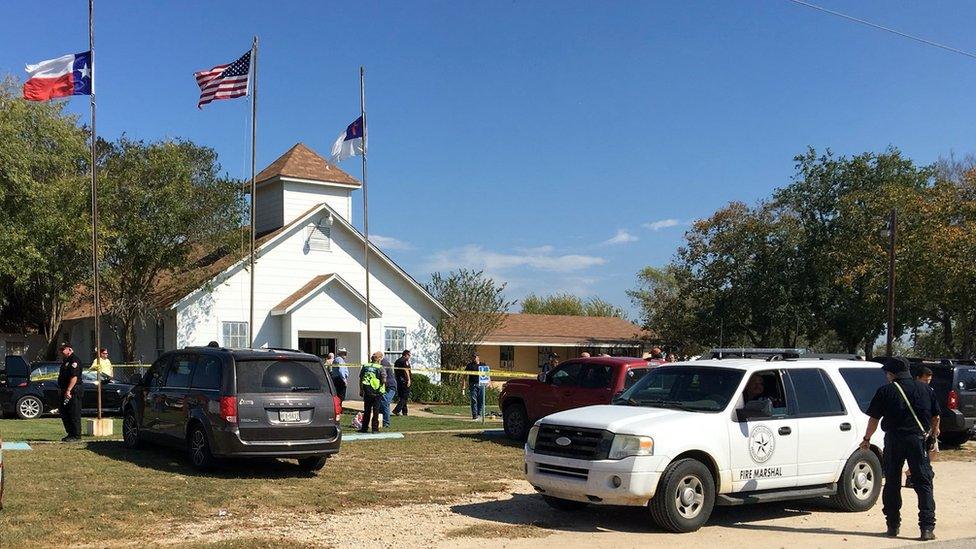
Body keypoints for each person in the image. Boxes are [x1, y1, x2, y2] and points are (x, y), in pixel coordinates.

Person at [861, 357, 940, 541]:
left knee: (892, 483)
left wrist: (867, 439)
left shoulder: (885, 391)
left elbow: (874, 419)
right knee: (924, 483)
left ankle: (893, 525)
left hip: (894, 440)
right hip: (917, 440)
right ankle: (927, 528)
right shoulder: (925, 389)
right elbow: (936, 416)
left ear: (891, 374)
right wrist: (933, 435)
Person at [905, 365, 937, 488]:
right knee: (919, 456)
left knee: (933, 451)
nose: (927, 383)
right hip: (916, 429)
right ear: (917, 378)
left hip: (928, 427)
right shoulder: (911, 391)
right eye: (925, 380)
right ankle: (912, 476)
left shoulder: (929, 391)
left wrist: (936, 428)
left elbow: (935, 414)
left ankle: (915, 473)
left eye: (929, 381)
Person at [58, 343, 84, 442]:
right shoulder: (66, 361)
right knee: (65, 412)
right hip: (65, 390)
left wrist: (68, 390)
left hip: (74, 390)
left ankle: (76, 435)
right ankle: (70, 433)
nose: (61, 351)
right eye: (61, 349)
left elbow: (74, 377)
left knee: (74, 413)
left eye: (63, 349)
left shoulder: (74, 360)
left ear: (70, 349)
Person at [358, 352, 387, 433]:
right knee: (376, 411)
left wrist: (361, 389)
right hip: (377, 392)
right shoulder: (380, 367)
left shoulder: (365, 366)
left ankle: (364, 428)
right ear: (379, 359)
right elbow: (384, 380)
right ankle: (375, 429)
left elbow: (361, 378)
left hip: (367, 391)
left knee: (367, 410)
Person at [466, 353, 486, 420]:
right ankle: (474, 415)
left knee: (481, 400)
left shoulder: (483, 365)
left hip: (481, 385)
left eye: (475, 357)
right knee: (474, 400)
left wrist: (489, 382)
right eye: (473, 357)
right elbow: (465, 375)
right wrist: (463, 385)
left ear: (478, 357)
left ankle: (479, 413)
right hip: (473, 385)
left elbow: (487, 374)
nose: (474, 358)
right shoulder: (469, 365)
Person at [380, 355, 397, 428]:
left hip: (391, 386)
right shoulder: (381, 363)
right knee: (383, 403)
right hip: (386, 386)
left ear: (380, 357)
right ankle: (381, 421)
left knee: (385, 402)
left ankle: (386, 423)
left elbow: (383, 376)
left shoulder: (384, 363)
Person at [393, 350, 412, 416]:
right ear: (406, 355)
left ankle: (405, 412)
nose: (409, 356)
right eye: (409, 355)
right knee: (405, 397)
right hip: (404, 381)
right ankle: (396, 410)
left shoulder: (397, 361)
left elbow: (395, 371)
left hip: (399, 381)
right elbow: (406, 370)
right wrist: (409, 380)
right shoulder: (405, 361)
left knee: (402, 397)